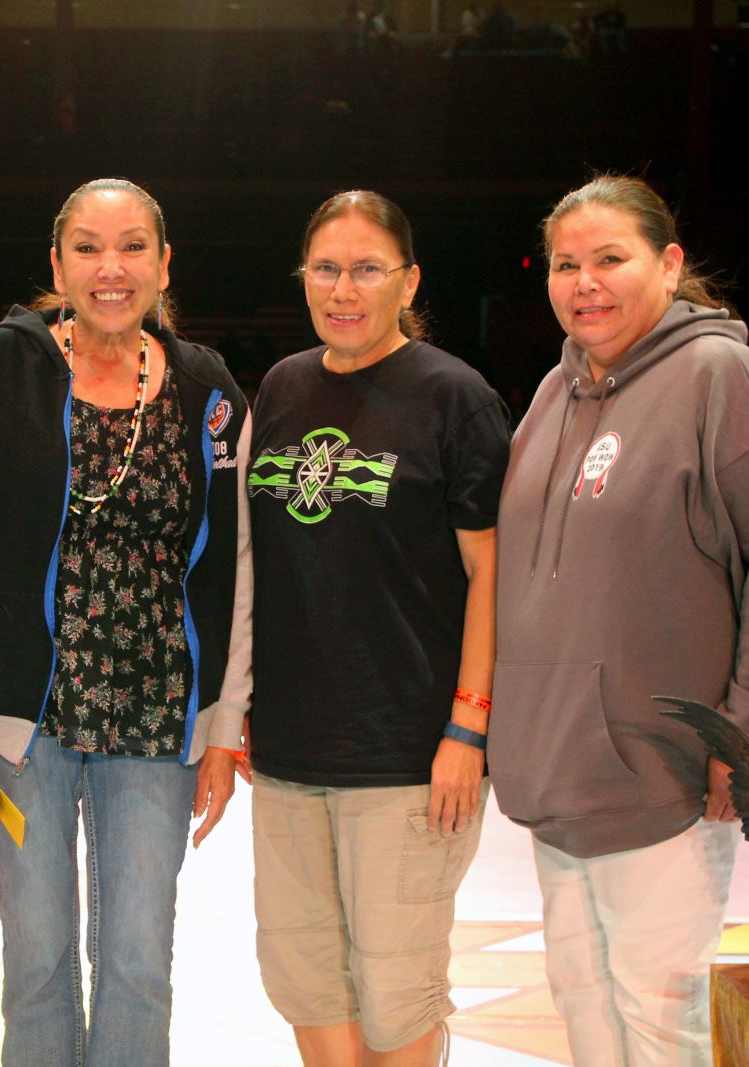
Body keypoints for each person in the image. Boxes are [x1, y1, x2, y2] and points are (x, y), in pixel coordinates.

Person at [490, 175, 749, 1067]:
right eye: (567, 264)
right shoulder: (550, 397)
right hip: (559, 772)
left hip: (669, 776)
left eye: (612, 258)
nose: (585, 282)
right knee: (585, 1012)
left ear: (670, 263)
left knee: (657, 1024)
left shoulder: (726, 379)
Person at [0, 177, 251, 1067]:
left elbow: (235, 569)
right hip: (18, 720)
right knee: (37, 958)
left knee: (140, 963)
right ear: (57, 264)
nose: (112, 268)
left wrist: (223, 721)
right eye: (90, 248)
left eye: (134, 246)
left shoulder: (207, 389)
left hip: (156, 715)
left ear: (164, 262)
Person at [245, 190, 510, 1067]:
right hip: (288, 755)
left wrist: (468, 726)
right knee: (304, 975)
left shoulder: (453, 396)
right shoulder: (282, 386)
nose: (343, 288)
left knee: (397, 992)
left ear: (409, 281)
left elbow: (491, 573)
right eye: (326, 268)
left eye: (367, 269)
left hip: (408, 758)